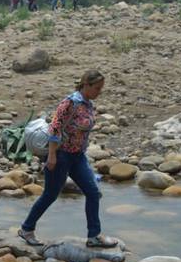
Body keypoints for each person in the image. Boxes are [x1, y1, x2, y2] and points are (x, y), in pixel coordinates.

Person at [18, 70, 116, 248]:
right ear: (86, 84)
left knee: (93, 193)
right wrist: (52, 156)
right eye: (97, 88)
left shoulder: (88, 104)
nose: (99, 92)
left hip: (78, 156)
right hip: (61, 155)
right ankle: (26, 229)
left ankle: (94, 236)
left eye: (101, 88)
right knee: (50, 195)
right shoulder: (69, 103)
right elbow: (55, 129)